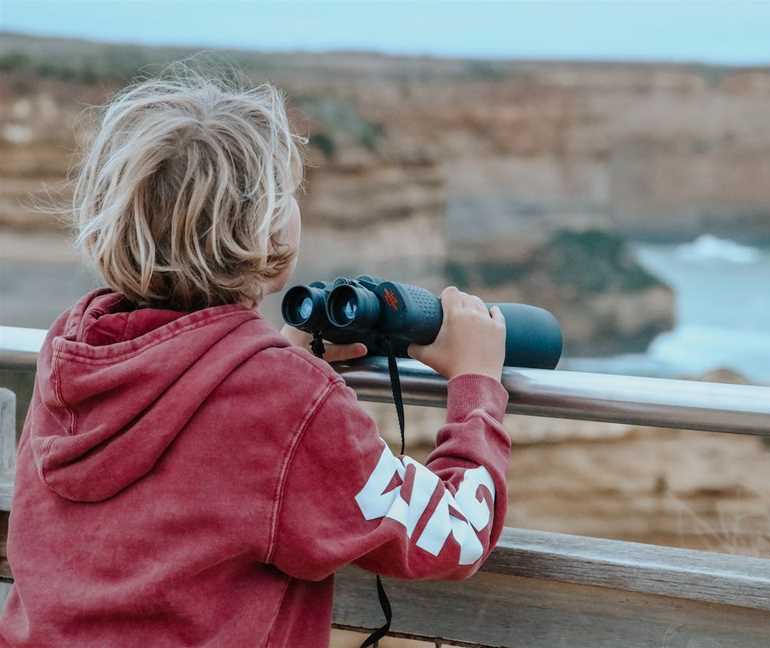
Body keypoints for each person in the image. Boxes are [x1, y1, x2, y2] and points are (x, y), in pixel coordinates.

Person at [0, 69, 509, 647]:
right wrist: (476, 384)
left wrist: (272, 358)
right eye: (287, 194)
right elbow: (458, 534)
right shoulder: (284, 399)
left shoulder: (73, 347)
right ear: (267, 232)